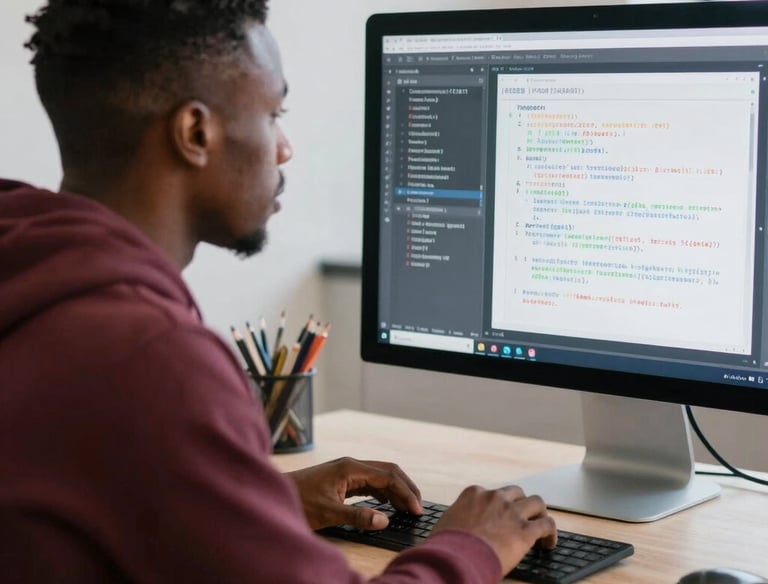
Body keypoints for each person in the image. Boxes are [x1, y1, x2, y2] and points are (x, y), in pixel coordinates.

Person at [0, 1, 557, 582]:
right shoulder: (150, 359)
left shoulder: (34, 280)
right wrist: (471, 547)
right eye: (273, 113)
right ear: (196, 132)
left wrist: (257, 500)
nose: (284, 147)